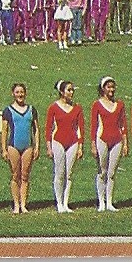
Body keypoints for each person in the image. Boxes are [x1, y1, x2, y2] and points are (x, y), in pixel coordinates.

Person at [45, 79, 85, 213]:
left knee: (69, 173)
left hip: (72, 142)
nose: (71, 92)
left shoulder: (77, 108)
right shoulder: (54, 107)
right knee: (59, 172)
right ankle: (59, 202)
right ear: (62, 92)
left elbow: (80, 128)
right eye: (69, 90)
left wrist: (80, 146)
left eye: (72, 90)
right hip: (58, 141)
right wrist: (49, 146)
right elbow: (49, 128)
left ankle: (66, 203)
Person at [0, 82, 39, 214]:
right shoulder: (8, 110)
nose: (20, 95)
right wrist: (4, 149)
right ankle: (16, 204)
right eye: (17, 92)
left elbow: (36, 130)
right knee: (15, 175)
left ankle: (24, 204)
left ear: (25, 93)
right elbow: (4, 130)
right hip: (13, 146)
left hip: (28, 146)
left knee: (25, 176)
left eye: (22, 92)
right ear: (13, 94)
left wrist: (37, 147)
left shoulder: (31, 109)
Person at [91, 76, 128, 212]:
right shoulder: (97, 104)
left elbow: (123, 124)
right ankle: (101, 201)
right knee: (102, 171)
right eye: (108, 87)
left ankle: (110, 202)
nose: (111, 89)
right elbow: (94, 126)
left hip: (117, 140)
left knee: (112, 172)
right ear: (103, 89)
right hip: (102, 139)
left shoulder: (120, 105)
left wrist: (125, 143)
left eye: (113, 87)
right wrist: (93, 144)